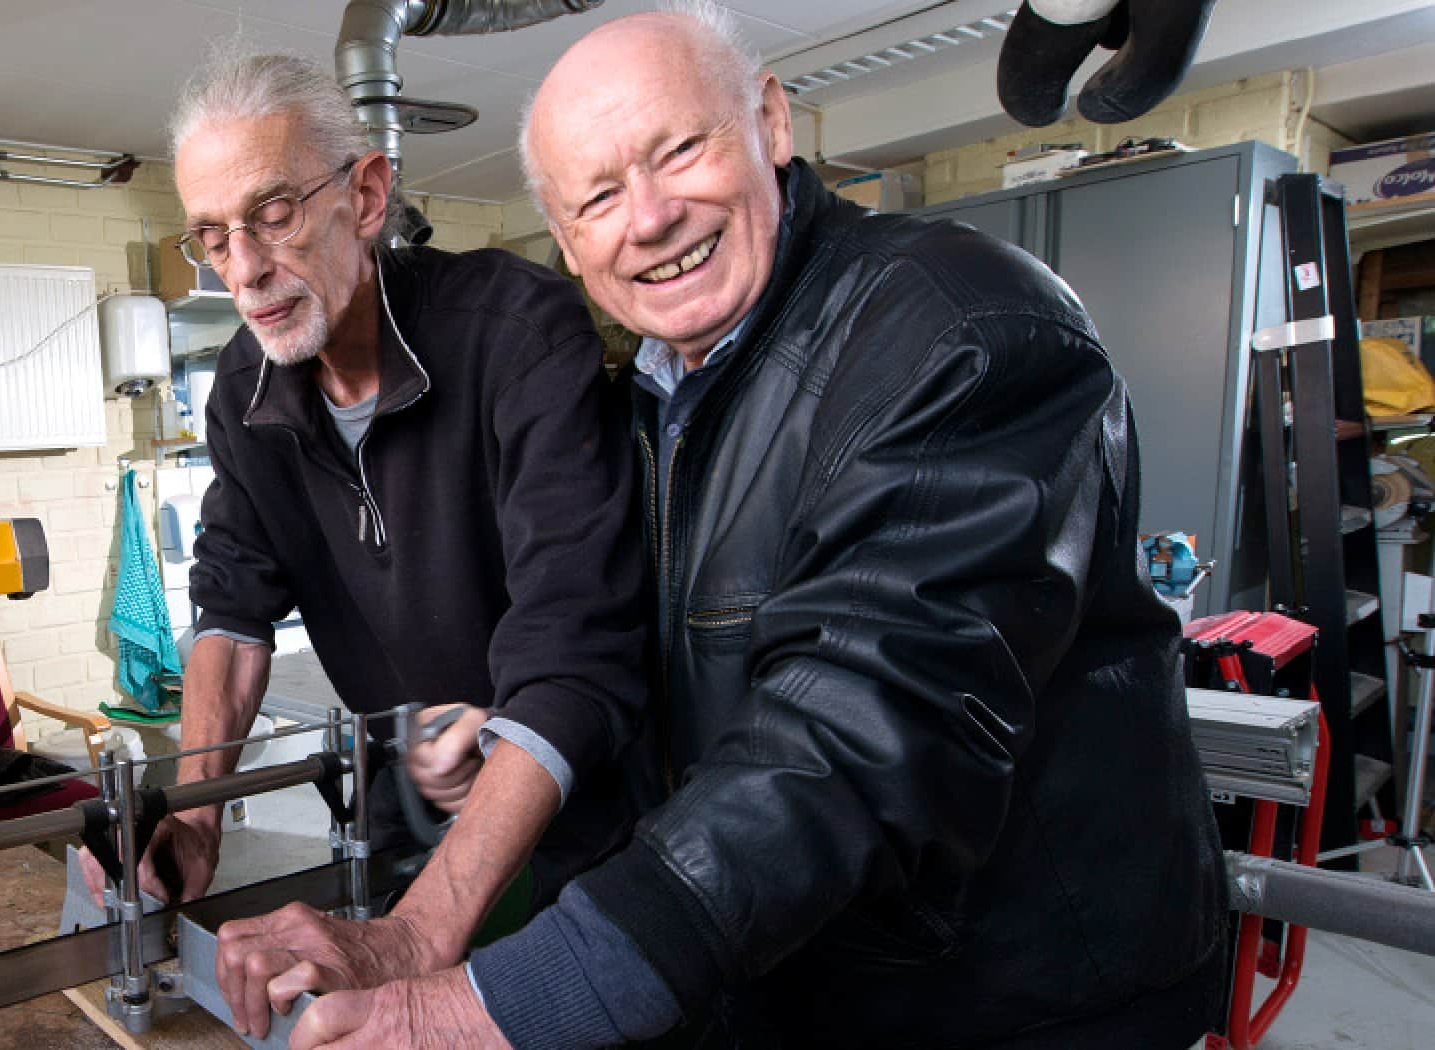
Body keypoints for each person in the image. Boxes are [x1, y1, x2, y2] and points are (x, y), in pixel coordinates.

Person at [284, 6, 1230, 1049]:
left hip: (1018, 1004)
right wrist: (509, 742)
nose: (644, 218)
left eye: (676, 150)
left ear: (770, 124)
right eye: (596, 197)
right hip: (805, 979)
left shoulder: (953, 325)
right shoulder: (654, 401)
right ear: (566, 239)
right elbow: (698, 688)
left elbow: (854, 734)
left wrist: (500, 1001)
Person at [76, 51, 654, 1038]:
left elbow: (575, 644)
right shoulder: (242, 391)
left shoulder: (516, 333)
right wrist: (199, 811)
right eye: (212, 237)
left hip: (587, 794)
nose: (245, 269)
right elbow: (231, 608)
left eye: (271, 214)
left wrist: (412, 938)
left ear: (366, 194)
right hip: (408, 778)